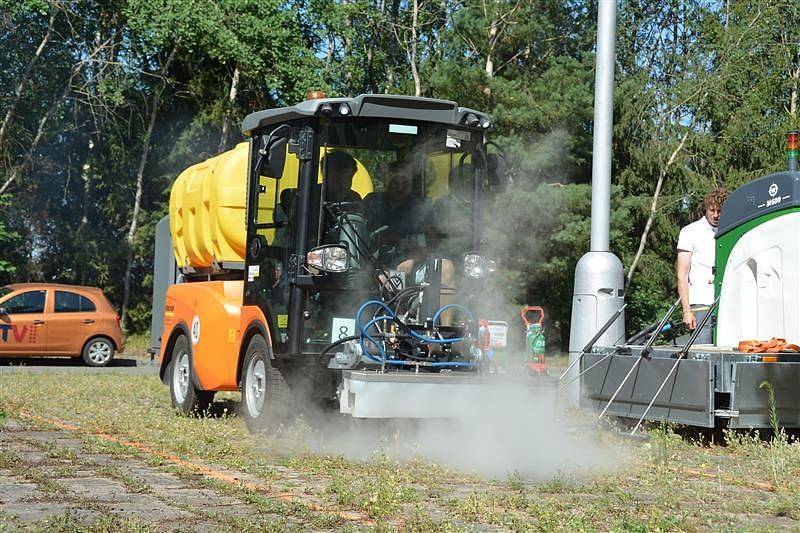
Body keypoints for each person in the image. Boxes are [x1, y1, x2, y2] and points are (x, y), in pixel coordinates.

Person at [676, 187, 729, 344]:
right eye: (712, 210)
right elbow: (682, 274)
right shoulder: (690, 232)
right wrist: (686, 310)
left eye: (720, 211)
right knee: (702, 353)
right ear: (706, 208)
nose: (716, 215)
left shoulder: (731, 230)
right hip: (701, 304)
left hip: (726, 303)